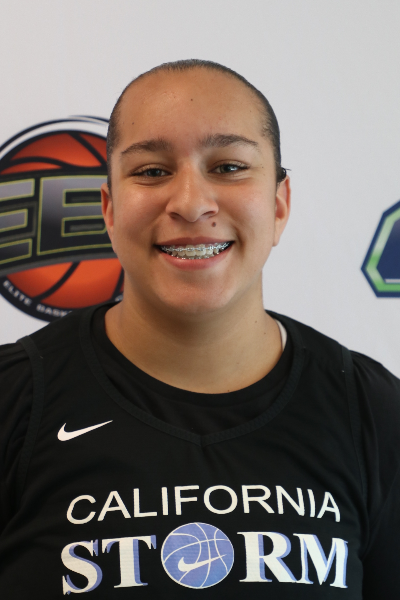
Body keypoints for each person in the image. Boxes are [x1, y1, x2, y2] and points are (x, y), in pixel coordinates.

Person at [0, 59, 399, 599]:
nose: (190, 203)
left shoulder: (372, 412)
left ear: (279, 204)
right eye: (151, 171)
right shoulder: (15, 400)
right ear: (109, 209)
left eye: (229, 166)